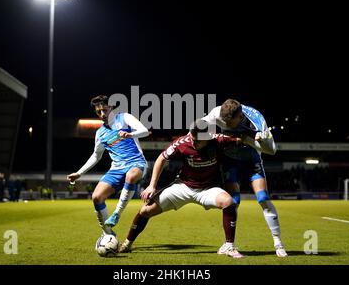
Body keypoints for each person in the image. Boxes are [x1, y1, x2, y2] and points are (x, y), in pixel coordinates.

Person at [119, 120, 244, 258]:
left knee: (228, 202)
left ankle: (228, 246)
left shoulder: (218, 140)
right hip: (183, 187)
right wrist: (152, 185)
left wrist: (257, 138)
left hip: (208, 189)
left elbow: (241, 139)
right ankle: (127, 243)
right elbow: (161, 158)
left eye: (199, 141)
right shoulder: (182, 143)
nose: (195, 143)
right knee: (145, 210)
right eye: (193, 139)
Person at [202, 99, 287, 257]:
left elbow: (272, 150)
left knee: (262, 198)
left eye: (230, 122)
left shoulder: (258, 123)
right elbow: (199, 127)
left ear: (239, 117)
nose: (226, 124)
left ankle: (278, 243)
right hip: (230, 160)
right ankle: (229, 244)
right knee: (233, 202)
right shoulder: (218, 113)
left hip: (251, 159)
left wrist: (250, 140)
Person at [67, 95, 149, 235]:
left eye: (105, 110)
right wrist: (79, 173)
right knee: (96, 197)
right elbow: (96, 155)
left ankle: (117, 213)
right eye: (99, 112)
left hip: (137, 162)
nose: (102, 114)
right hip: (116, 168)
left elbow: (145, 131)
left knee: (130, 175)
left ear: (111, 107)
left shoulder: (124, 118)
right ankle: (108, 234)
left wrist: (131, 135)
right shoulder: (100, 133)